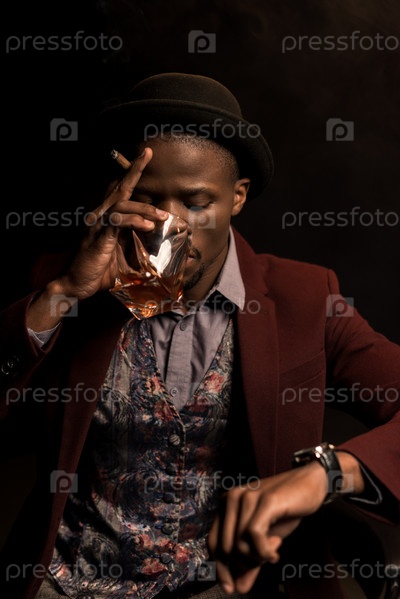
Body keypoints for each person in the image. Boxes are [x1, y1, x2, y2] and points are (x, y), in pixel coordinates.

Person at [0, 72, 399, 599]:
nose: (168, 227)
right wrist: (63, 293)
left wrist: (326, 472)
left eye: (195, 203)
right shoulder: (62, 285)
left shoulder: (306, 299)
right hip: (68, 585)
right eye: (147, 202)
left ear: (237, 198)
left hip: (230, 588)